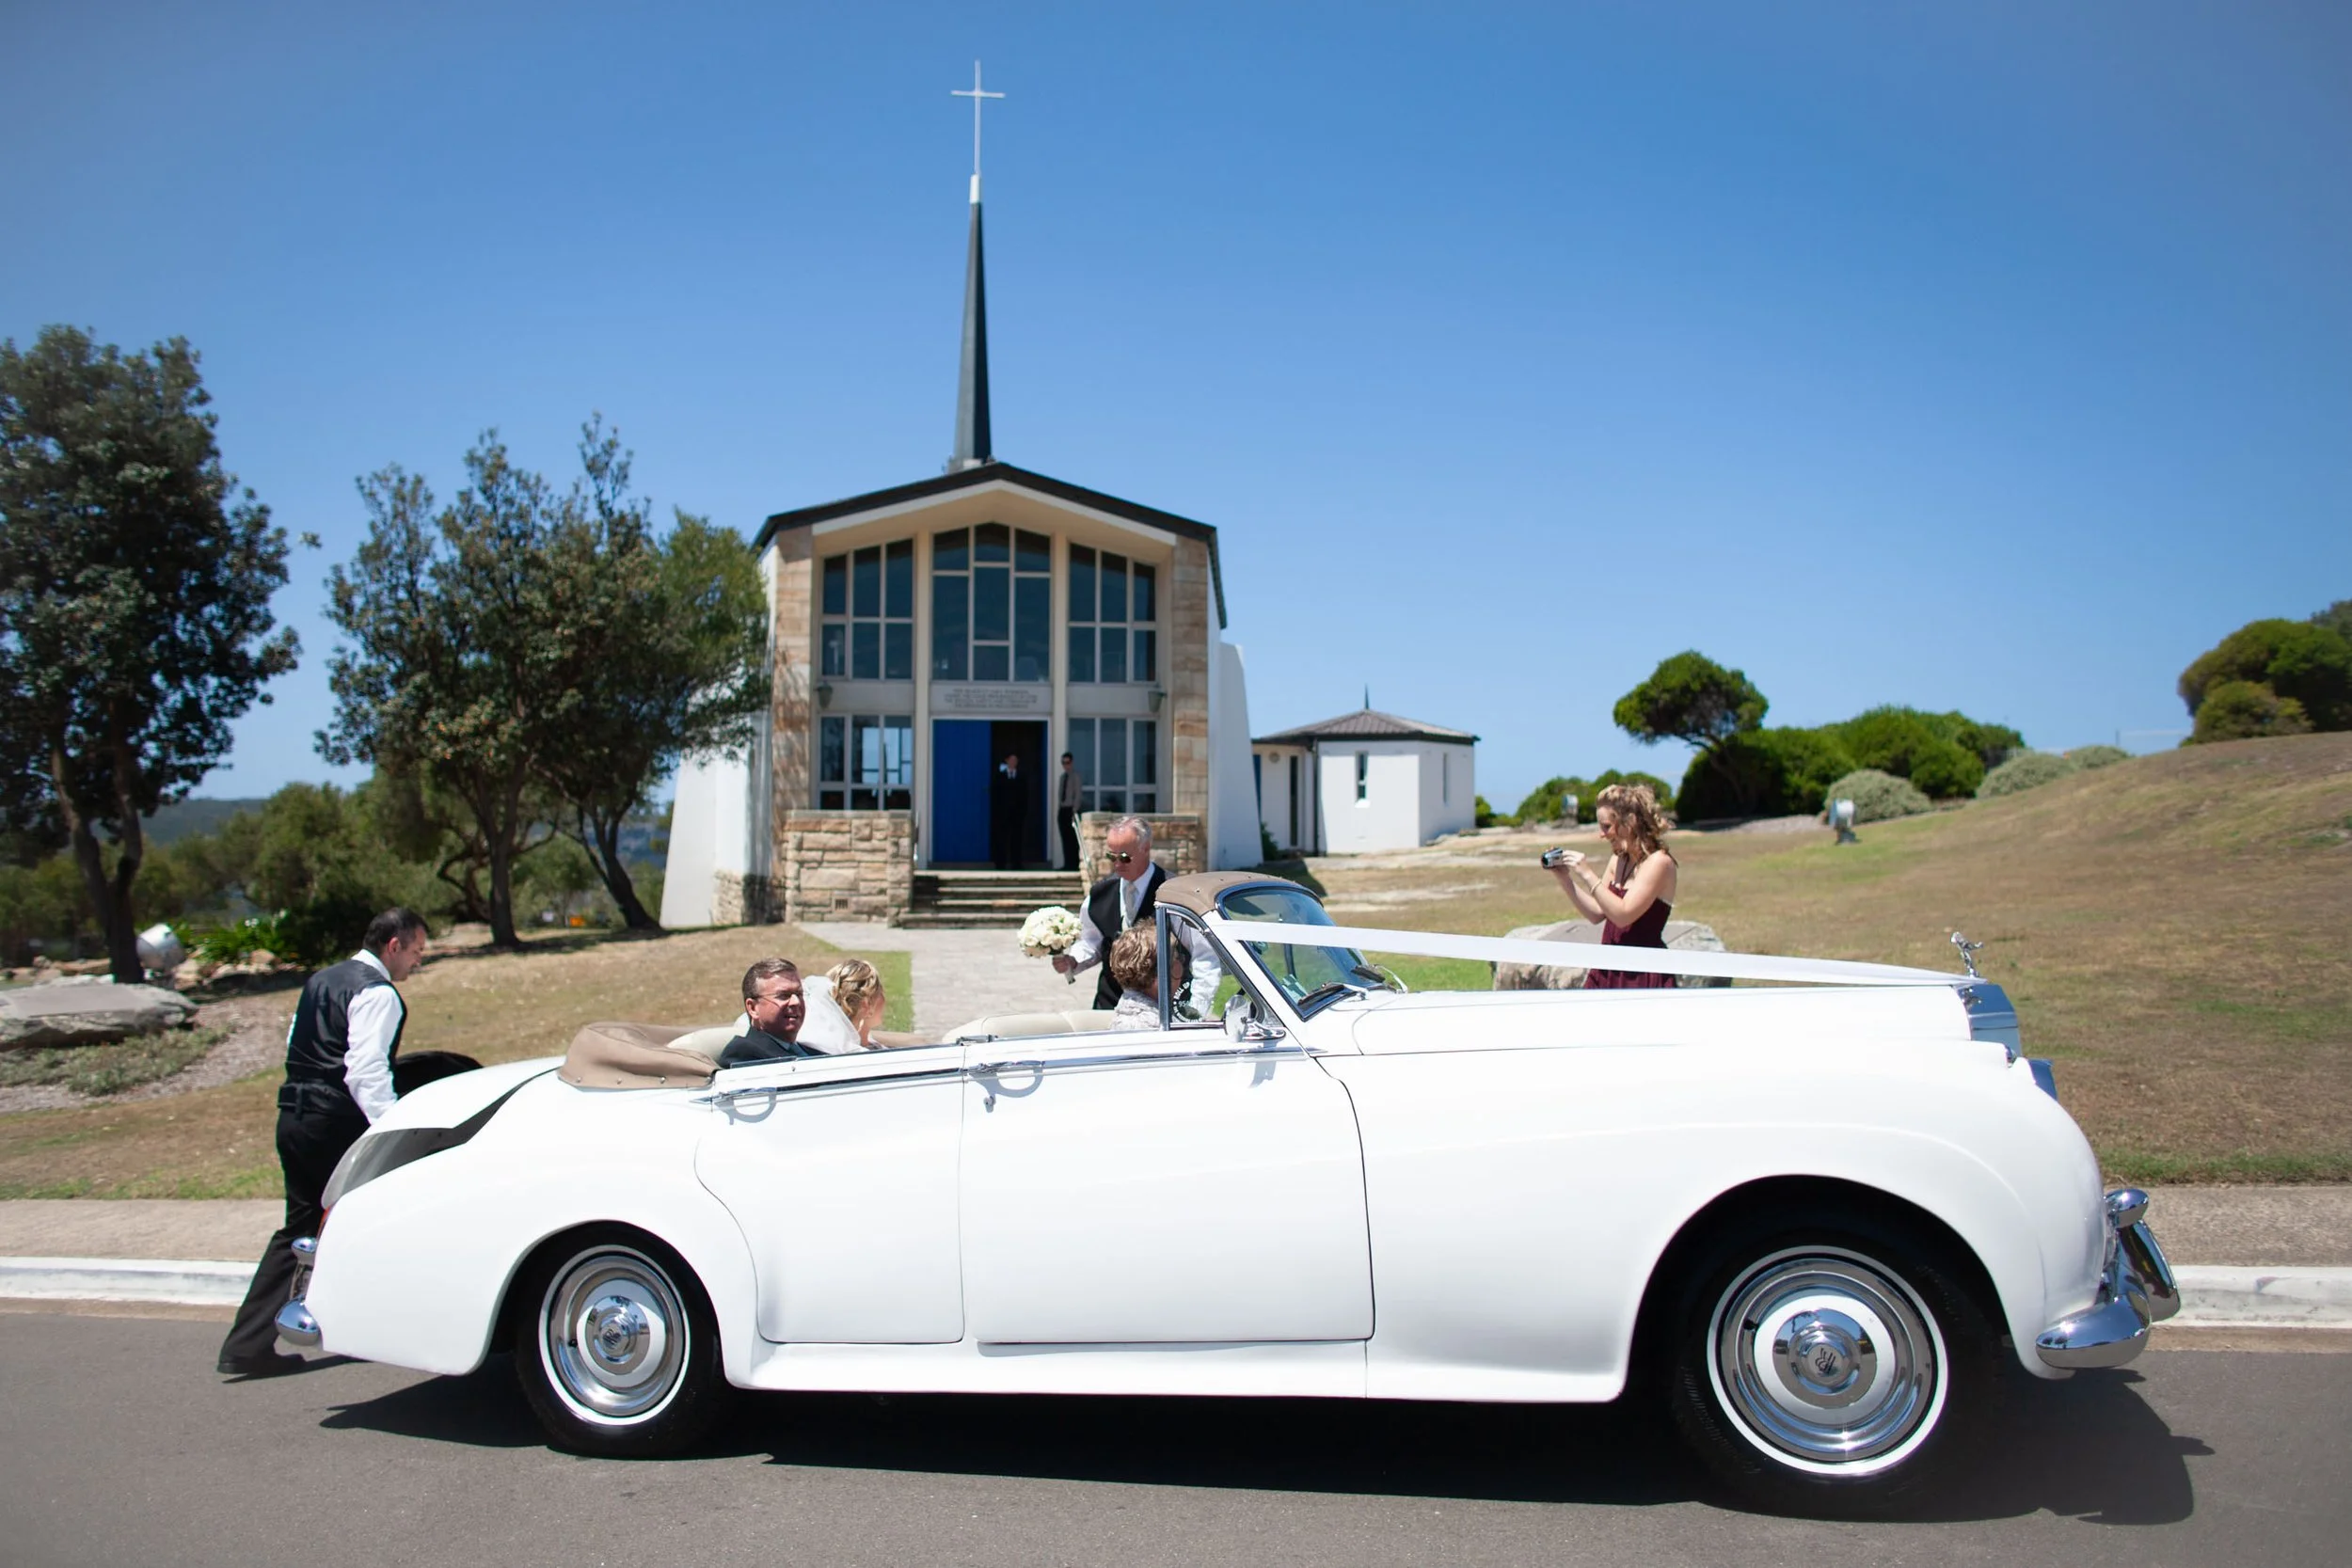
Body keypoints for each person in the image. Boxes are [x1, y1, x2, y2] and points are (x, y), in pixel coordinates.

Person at [217, 908, 430, 1377]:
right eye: (416, 952)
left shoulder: (321, 981)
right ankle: (387, 1327)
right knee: (372, 1220)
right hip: (332, 1124)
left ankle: (248, 1342)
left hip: (292, 1117)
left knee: (299, 1229)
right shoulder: (378, 994)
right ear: (393, 946)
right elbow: (366, 1072)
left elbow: (297, 1042)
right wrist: (389, 1131)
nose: (417, 962)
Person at [1053, 815, 1220, 1015]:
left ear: (1146, 848)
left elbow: (1205, 954)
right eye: (1111, 856)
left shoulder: (1174, 894)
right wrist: (1073, 961)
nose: (1117, 864)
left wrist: (1197, 1008)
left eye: (1124, 857)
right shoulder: (1099, 894)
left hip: (1165, 1009)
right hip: (1109, 1006)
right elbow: (1091, 942)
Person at [1546, 782, 1679, 990]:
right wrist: (1565, 878)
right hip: (1607, 967)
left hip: (1642, 974)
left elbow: (1623, 915)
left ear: (1630, 822)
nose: (1602, 834)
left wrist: (1588, 874)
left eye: (1606, 826)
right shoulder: (1619, 860)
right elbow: (1598, 913)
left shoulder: (1659, 863)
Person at [715, 958, 822, 1068]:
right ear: (753, 1008)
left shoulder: (816, 1055)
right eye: (783, 996)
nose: (796, 1002)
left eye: (799, 994)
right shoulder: (743, 1054)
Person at [1104, 925, 1184, 1029]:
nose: (1182, 964)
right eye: (1178, 958)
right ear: (1160, 972)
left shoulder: (1131, 1008)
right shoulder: (1154, 1025)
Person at [824, 958, 887, 1049]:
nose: (884, 998)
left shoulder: (829, 1048)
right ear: (866, 1005)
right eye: (880, 991)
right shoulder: (873, 1056)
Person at [991, 751, 1028, 869]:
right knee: (1001, 839)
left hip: (1017, 815)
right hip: (1002, 814)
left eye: (1015, 760)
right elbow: (995, 795)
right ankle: (1000, 863)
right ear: (1006, 761)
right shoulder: (1000, 776)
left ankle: (1016, 863)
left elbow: (1025, 795)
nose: (1013, 763)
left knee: (1016, 839)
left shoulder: (1021, 776)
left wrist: (1022, 811)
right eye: (1011, 760)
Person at [1056, 751, 1082, 870]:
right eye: (1063, 763)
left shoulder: (1075, 776)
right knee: (1065, 838)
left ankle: (1074, 864)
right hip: (1063, 810)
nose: (1065, 765)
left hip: (1071, 810)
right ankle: (1067, 863)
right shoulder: (1062, 777)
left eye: (1067, 762)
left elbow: (1078, 795)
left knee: (1072, 840)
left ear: (1071, 762)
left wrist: (1075, 811)